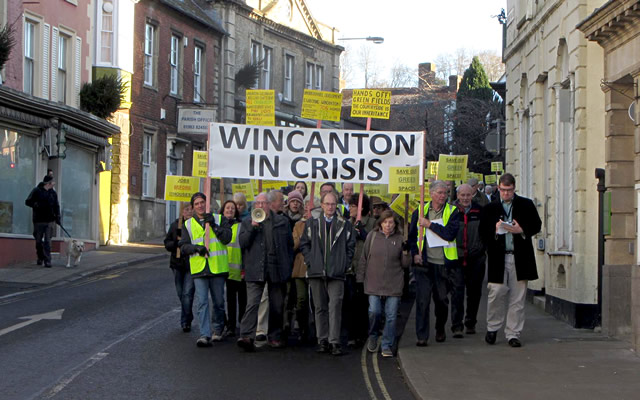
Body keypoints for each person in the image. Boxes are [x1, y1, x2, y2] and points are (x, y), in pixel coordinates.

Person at [480, 173, 541, 348]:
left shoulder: (525, 204)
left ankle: (513, 333)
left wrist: (521, 230)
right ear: (498, 188)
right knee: (496, 291)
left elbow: (536, 225)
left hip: (520, 256)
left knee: (518, 297)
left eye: (509, 190)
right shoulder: (490, 208)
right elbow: (483, 234)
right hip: (498, 256)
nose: (506, 194)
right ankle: (493, 326)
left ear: (514, 189)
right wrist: (495, 230)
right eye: (503, 190)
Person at [299, 191, 356, 356]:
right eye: (327, 204)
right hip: (317, 271)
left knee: (335, 306)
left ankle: (334, 341)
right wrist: (311, 261)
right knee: (320, 307)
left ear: (336, 205)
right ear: (322, 205)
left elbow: (350, 246)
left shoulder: (345, 224)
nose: (330, 207)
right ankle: (322, 340)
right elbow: (305, 244)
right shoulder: (312, 223)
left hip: (337, 272)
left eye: (333, 204)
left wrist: (344, 264)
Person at [237, 192, 294, 351]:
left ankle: (275, 336)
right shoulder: (248, 222)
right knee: (252, 303)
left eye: (263, 203)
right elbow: (242, 243)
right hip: (255, 268)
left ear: (269, 205)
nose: (261, 206)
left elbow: (289, 245)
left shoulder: (282, 221)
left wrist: (287, 265)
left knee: (277, 304)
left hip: (276, 268)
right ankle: (247, 336)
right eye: (258, 203)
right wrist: (253, 228)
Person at [408, 180, 460, 346]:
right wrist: (415, 254)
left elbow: (450, 234)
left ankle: (440, 327)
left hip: (442, 264)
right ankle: (422, 336)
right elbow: (411, 237)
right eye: (439, 193)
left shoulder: (452, 211)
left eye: (445, 193)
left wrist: (429, 225)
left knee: (442, 300)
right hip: (424, 264)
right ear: (431, 194)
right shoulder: (420, 211)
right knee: (422, 301)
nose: (443, 196)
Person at [180, 192, 232, 347]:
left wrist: (215, 226)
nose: (200, 206)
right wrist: (196, 248)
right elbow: (182, 246)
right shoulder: (188, 224)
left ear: (206, 203)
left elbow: (227, 238)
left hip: (217, 268)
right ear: (193, 207)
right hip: (199, 269)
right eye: (196, 204)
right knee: (202, 302)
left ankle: (217, 330)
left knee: (218, 302)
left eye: (202, 202)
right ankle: (204, 334)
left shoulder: (219, 219)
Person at [358, 210, 410, 357]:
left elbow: (405, 265)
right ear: (380, 223)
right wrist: (360, 278)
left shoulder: (400, 239)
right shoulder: (372, 236)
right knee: (374, 312)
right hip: (373, 282)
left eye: (391, 222)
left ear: (395, 224)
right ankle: (373, 336)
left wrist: (406, 252)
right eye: (385, 222)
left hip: (393, 283)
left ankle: (387, 343)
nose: (388, 225)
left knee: (391, 315)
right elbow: (364, 258)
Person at [454, 184, 486, 335]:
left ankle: (470, 322)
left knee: (474, 292)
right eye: (462, 195)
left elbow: (486, 232)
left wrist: (481, 248)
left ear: (472, 195)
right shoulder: (451, 210)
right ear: (457, 195)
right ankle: (457, 325)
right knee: (457, 291)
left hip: (476, 257)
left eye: (468, 195)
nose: (465, 198)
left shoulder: (480, 210)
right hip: (457, 257)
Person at [344, 192, 374, 346]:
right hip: (350, 267)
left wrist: (362, 232)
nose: (349, 208)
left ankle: (362, 334)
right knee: (350, 302)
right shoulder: (346, 222)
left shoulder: (371, 223)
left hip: (365, 268)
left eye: (353, 206)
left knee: (363, 303)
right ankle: (351, 334)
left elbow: (373, 242)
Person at [292, 195, 321, 344]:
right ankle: (302, 328)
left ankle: (318, 329)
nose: (306, 211)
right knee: (301, 299)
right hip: (300, 267)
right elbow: (294, 245)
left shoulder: (320, 224)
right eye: (306, 208)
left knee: (317, 300)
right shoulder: (298, 225)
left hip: (316, 266)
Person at [164, 203, 196, 332]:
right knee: (180, 293)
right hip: (177, 264)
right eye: (186, 209)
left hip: (191, 264)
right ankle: (188, 314)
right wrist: (176, 243)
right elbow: (167, 243)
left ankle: (185, 321)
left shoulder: (195, 225)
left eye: (190, 209)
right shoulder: (176, 225)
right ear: (182, 212)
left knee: (187, 293)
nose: (189, 212)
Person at [222, 200, 246, 337]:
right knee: (229, 300)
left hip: (239, 268)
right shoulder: (218, 224)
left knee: (242, 299)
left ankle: (242, 324)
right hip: (223, 268)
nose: (230, 210)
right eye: (227, 208)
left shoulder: (241, 226)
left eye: (232, 208)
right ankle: (230, 325)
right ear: (223, 210)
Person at [25, 175, 60, 268]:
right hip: (38, 220)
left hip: (50, 220)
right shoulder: (37, 191)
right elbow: (28, 201)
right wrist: (36, 205)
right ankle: (40, 257)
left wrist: (57, 216)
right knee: (38, 241)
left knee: (48, 241)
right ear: (48, 183)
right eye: (53, 182)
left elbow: (56, 205)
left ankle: (47, 260)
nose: (54, 183)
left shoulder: (53, 193)